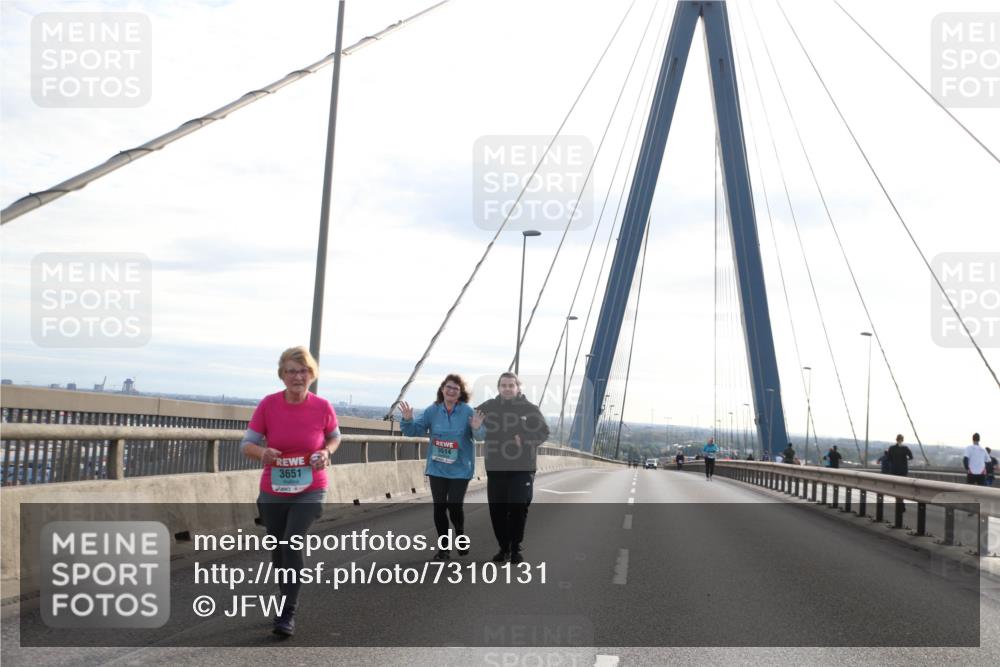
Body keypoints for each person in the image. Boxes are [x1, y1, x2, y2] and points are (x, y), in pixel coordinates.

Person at [242, 346, 342, 637]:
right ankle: (285, 595)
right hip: (274, 489)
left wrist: (325, 451)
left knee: (292, 542)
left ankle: (287, 612)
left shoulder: (322, 406)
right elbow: (246, 444)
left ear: (312, 375)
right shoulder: (268, 405)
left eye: (303, 371)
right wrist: (263, 452)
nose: (297, 376)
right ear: (282, 375)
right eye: (291, 371)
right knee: (278, 549)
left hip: (310, 488)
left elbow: (335, 436)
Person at [399, 374, 484, 561]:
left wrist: (478, 427)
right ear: (442, 389)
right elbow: (414, 431)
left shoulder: (467, 411)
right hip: (437, 467)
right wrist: (407, 420)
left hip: (460, 468)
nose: (451, 390)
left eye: (455, 388)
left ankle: (460, 535)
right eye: (448, 387)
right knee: (439, 508)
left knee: (454, 506)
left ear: (460, 393)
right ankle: (444, 549)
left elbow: (480, 437)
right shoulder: (433, 410)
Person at [477, 372, 549, 564]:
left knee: (518, 506)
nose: (507, 388)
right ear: (498, 387)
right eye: (503, 385)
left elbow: (544, 432)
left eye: (511, 385)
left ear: (518, 387)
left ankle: (516, 546)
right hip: (496, 468)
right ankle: (504, 547)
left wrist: (525, 439)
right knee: (497, 510)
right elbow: (467, 418)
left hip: (522, 468)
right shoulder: (488, 407)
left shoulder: (530, 409)